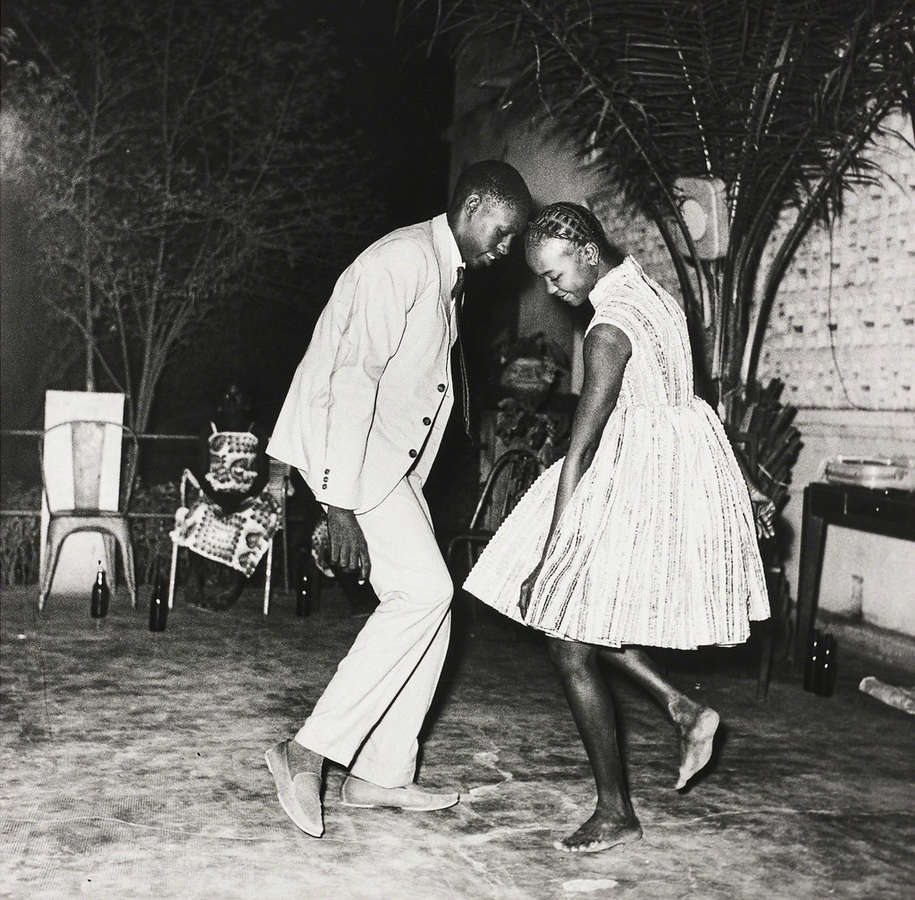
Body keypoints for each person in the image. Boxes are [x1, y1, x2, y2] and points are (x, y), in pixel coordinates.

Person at [463, 202, 772, 854]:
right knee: (582, 623)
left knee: (566, 638)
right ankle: (681, 708)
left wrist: (550, 556)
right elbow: (686, 399)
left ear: (586, 252)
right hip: (678, 471)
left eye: (555, 274)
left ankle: (615, 810)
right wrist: (738, 486)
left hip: (634, 482)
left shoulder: (607, 329)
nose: (553, 290)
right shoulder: (654, 294)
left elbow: (579, 449)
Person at [265, 160, 532, 837]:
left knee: (433, 607)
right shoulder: (403, 261)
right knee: (424, 594)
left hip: (389, 466)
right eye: (502, 232)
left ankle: (380, 776)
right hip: (357, 462)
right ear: (474, 205)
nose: (505, 250)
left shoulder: (440, 269)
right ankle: (305, 751)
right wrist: (337, 504)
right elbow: (349, 378)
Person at [170, 381, 279, 610]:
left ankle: (233, 587)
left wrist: (244, 498)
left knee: (256, 520)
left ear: (247, 402)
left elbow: (263, 474)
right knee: (199, 513)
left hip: (250, 496)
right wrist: (217, 498)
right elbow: (202, 470)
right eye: (228, 396)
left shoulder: (256, 431)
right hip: (215, 493)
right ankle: (194, 582)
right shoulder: (210, 429)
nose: (232, 401)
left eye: (237, 396)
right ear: (220, 402)